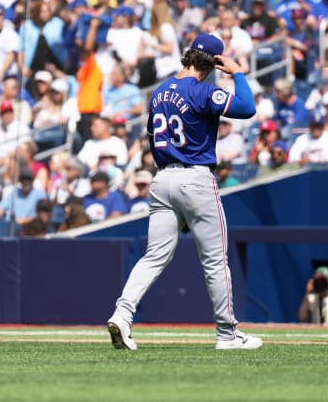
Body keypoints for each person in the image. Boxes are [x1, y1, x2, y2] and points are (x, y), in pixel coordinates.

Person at [107, 34, 262, 350]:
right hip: (195, 178)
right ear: (213, 63)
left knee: (154, 256)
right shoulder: (203, 91)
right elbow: (247, 108)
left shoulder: (160, 91)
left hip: (162, 179)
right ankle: (227, 335)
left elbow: (152, 136)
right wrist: (238, 73)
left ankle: (122, 314)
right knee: (215, 261)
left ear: (188, 56)